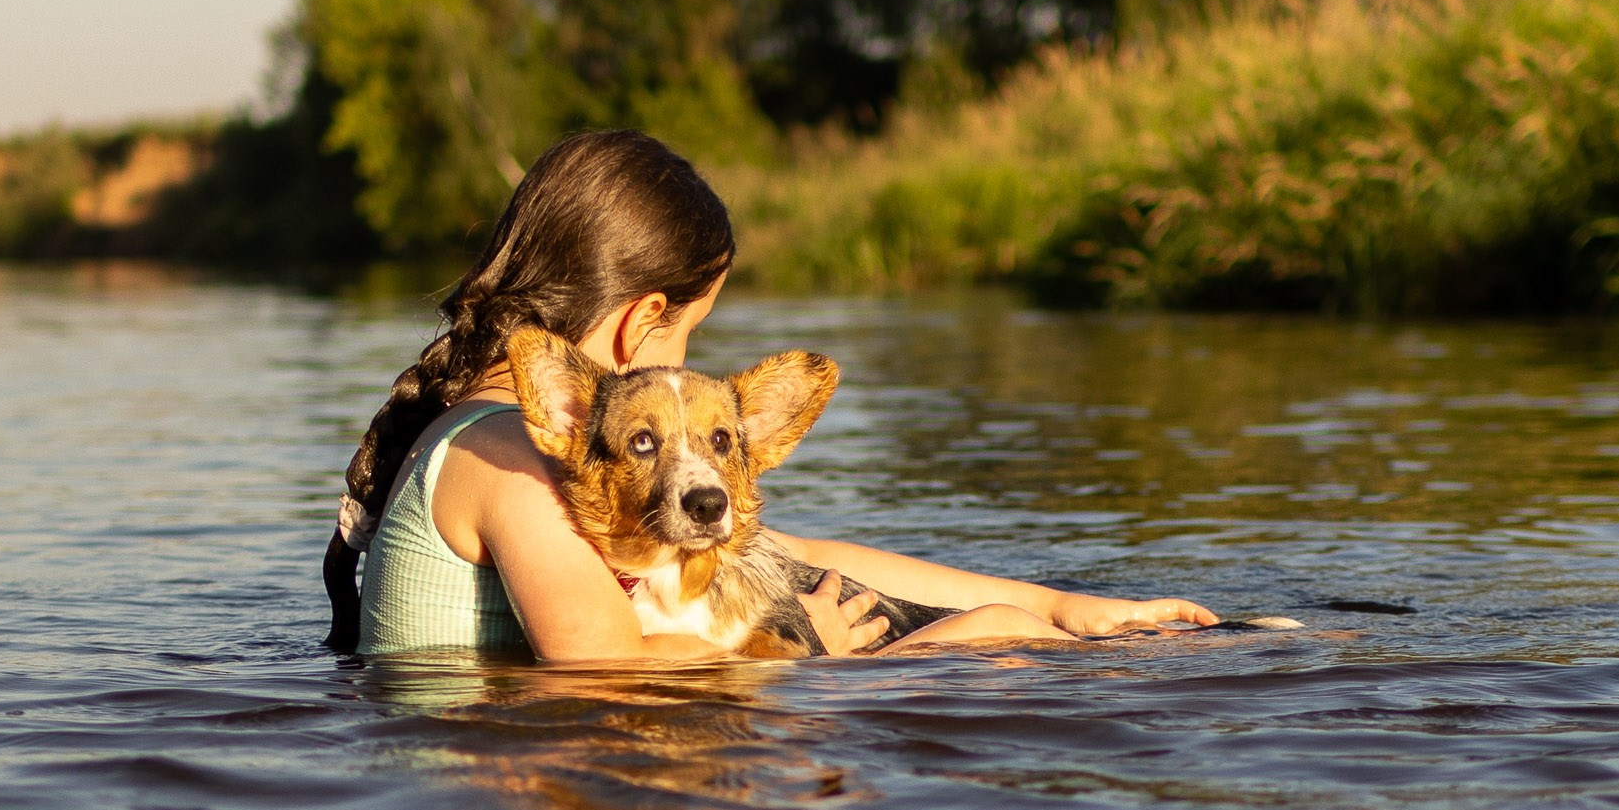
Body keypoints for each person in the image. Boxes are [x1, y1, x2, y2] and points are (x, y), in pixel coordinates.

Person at [325, 128, 1218, 661]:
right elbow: (603, 669)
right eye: (691, 333)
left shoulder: (512, 433)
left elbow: (792, 551)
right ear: (643, 323)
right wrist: (803, 651)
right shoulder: (517, 452)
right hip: (511, 806)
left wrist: (1052, 600)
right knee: (995, 650)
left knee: (1006, 626)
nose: (689, 365)